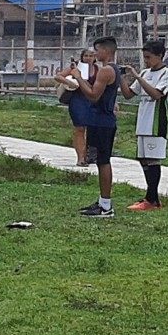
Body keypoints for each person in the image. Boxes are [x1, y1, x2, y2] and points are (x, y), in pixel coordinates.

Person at [61, 36, 120, 218]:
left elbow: (93, 95)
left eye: (97, 50)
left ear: (106, 51)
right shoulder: (114, 70)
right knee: (99, 160)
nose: (94, 54)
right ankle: (103, 201)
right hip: (100, 120)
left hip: (102, 121)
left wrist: (79, 79)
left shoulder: (106, 71)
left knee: (103, 161)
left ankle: (106, 205)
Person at [120, 41, 168, 211]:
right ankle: (152, 198)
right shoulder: (145, 72)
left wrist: (138, 77)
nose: (146, 61)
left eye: (149, 57)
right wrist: (121, 78)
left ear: (160, 55)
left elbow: (156, 94)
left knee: (153, 159)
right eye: (144, 57)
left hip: (156, 122)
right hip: (143, 121)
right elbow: (129, 94)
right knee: (143, 159)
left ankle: (151, 199)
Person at [61, 48, 98, 166]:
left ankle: (90, 155)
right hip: (78, 99)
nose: (88, 58)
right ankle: (80, 158)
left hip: (92, 100)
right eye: (86, 55)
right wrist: (70, 82)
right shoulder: (76, 67)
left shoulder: (99, 69)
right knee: (80, 128)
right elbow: (59, 76)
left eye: (91, 56)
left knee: (93, 128)